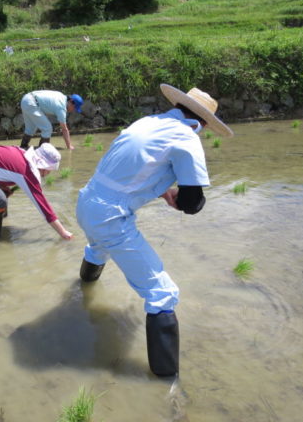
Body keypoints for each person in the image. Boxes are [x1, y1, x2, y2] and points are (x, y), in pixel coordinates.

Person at [75, 83, 234, 377]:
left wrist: (162, 191)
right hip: (110, 217)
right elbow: (191, 202)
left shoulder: (148, 121)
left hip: (86, 201)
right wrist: (181, 199)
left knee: (98, 248)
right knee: (163, 293)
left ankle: (80, 293)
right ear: (201, 123)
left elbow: (132, 169)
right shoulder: (187, 137)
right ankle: (167, 383)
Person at [19, 90, 83, 150]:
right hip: (31, 103)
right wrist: (69, 146)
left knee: (31, 128)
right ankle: (42, 151)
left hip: (26, 99)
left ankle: (23, 148)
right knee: (47, 128)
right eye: (75, 108)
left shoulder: (61, 96)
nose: (73, 110)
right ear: (71, 102)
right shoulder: (61, 107)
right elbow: (64, 129)